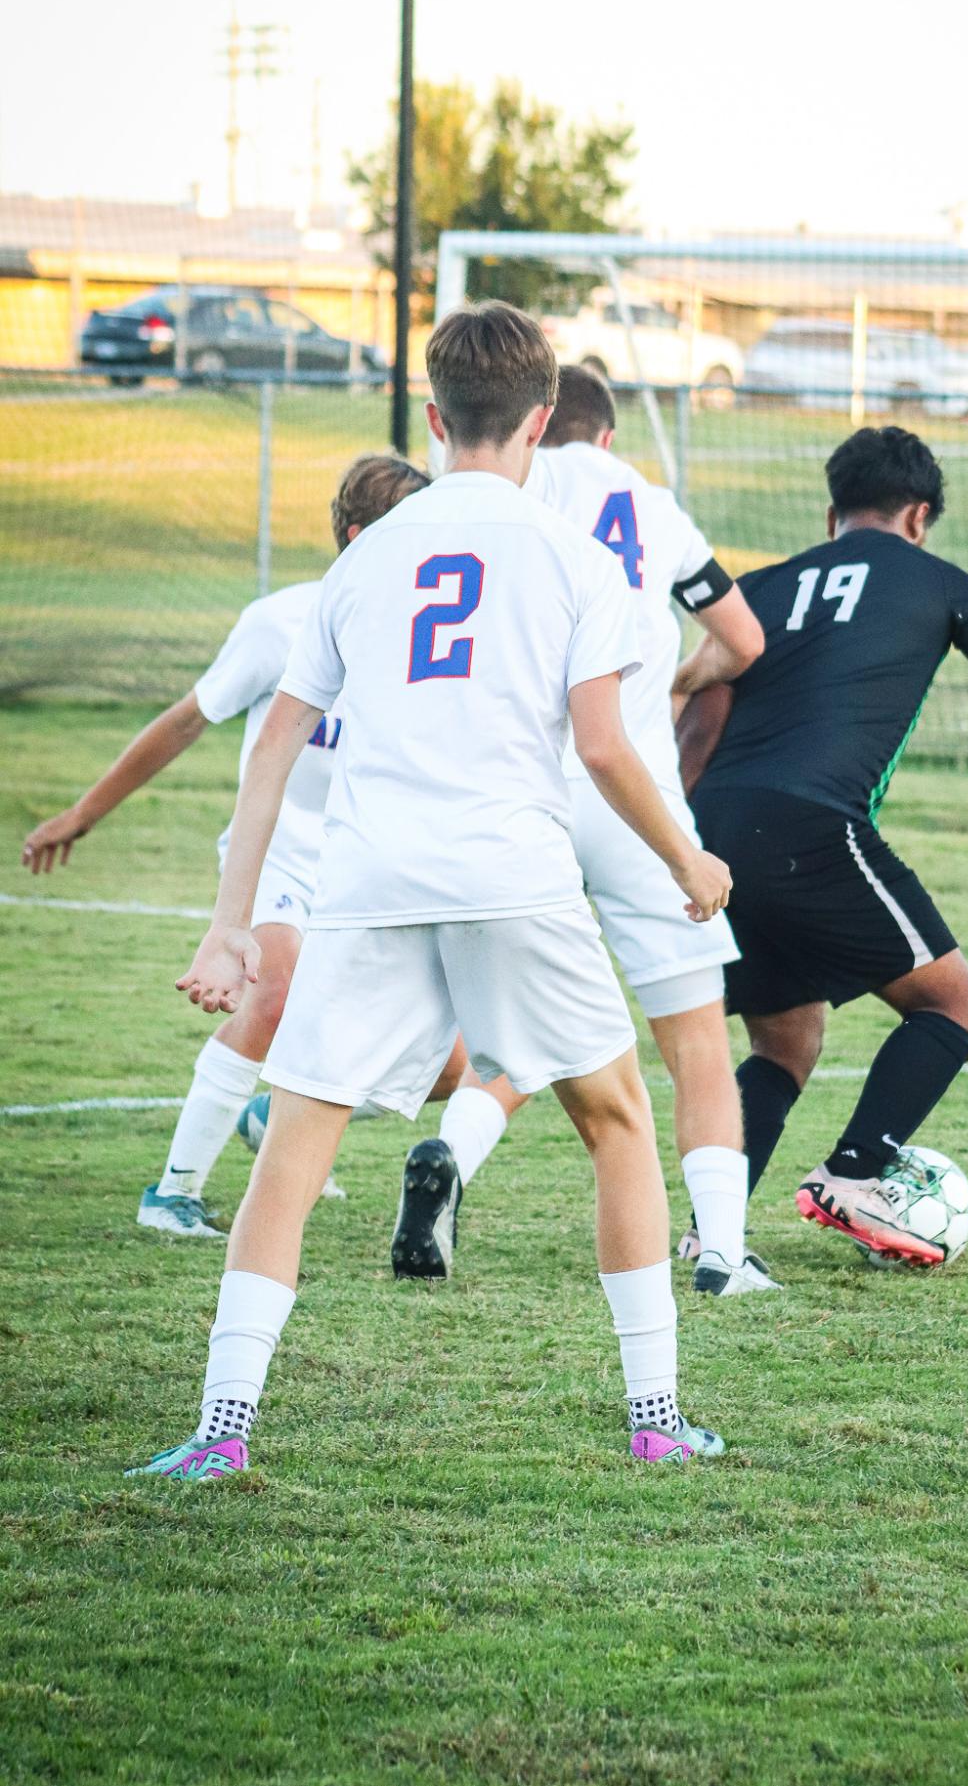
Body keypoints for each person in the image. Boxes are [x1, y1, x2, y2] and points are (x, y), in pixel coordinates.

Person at [127, 301, 733, 1483]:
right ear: (545, 420)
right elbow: (606, 750)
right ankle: (654, 1419)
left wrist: (231, 919)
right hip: (510, 872)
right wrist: (684, 861)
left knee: (294, 1147)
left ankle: (221, 1433)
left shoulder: (366, 555)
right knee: (616, 1122)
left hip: (366, 878)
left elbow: (275, 745)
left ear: (431, 415)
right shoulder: (576, 556)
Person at [676, 424, 968, 1264]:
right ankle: (855, 1174)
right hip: (812, 822)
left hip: (714, 827)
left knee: (786, 1041)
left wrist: (679, 843)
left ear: (832, 514)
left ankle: (714, 1232)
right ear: (919, 515)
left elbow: (700, 719)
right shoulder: (941, 582)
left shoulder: (761, 588)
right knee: (956, 1005)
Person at [391, 364, 777, 1297]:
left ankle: (450, 1153)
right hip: (634, 792)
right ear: (604, 436)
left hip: (527, 795)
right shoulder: (651, 503)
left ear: (535, 426)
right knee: (695, 1041)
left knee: (525, 1036)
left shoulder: (505, 490)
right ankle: (722, 1250)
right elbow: (744, 639)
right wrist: (677, 681)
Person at [20, 453, 437, 1237]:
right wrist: (83, 812)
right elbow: (184, 721)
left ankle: (269, 1114)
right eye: (405, 531)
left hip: (366, 868)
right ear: (356, 536)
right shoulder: (282, 622)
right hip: (276, 855)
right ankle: (171, 1193)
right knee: (274, 995)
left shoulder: (426, 638)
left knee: (445, 1061)